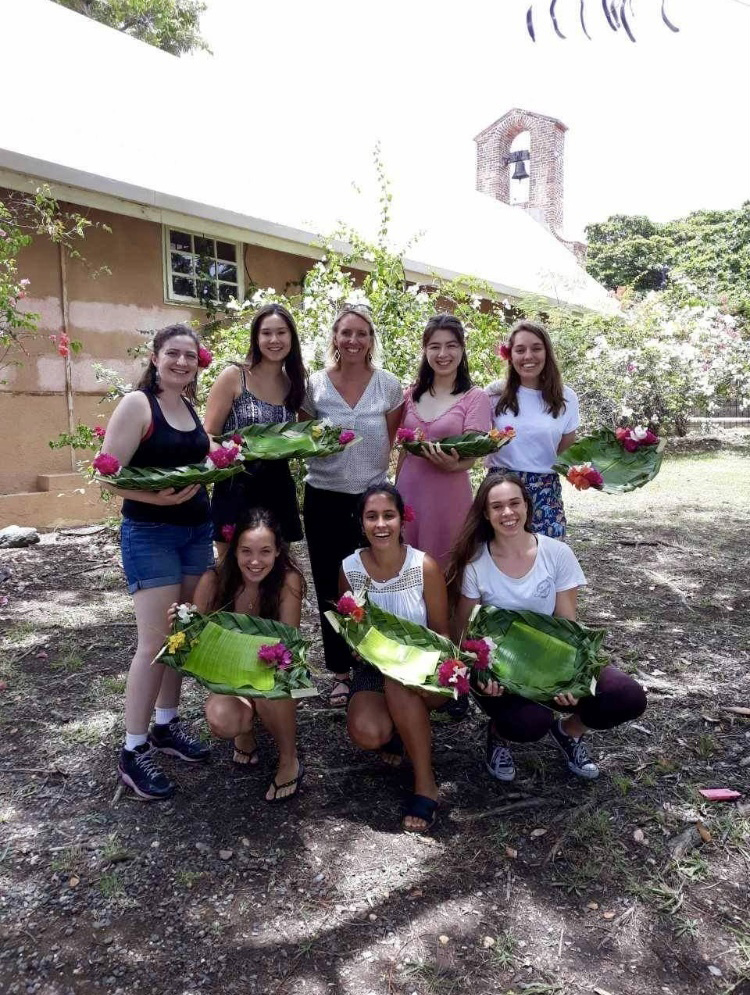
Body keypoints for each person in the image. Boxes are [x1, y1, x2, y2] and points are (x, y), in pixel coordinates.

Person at [449, 473, 647, 783]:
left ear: (527, 506)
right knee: (529, 723)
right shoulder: (476, 563)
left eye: (515, 503)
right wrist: (483, 674)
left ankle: (569, 731)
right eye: (497, 506)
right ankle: (498, 734)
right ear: (486, 514)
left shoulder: (556, 553)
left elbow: (568, 626)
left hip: (551, 659)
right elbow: (463, 634)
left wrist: (570, 677)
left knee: (627, 696)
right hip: (499, 669)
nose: (507, 513)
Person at [101, 324, 215, 801]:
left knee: (181, 634)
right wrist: (159, 501)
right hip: (151, 534)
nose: (182, 363)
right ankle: (133, 749)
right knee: (153, 642)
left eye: (190, 356)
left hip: (196, 533)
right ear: (155, 356)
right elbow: (106, 475)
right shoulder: (137, 404)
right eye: (173, 354)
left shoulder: (187, 406)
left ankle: (166, 727)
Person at [300, 305, 403, 708]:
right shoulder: (315, 386)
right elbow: (303, 435)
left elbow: (391, 440)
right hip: (323, 496)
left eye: (361, 333)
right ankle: (340, 670)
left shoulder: (388, 385)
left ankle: (374, 663)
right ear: (335, 338)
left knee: (376, 581)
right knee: (331, 583)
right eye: (346, 333)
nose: (353, 341)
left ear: (371, 339)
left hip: (372, 501)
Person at [341, 483, 451, 832]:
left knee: (400, 683)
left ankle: (425, 782)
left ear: (403, 520)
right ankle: (395, 733)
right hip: (374, 669)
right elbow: (349, 630)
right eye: (371, 517)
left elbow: (441, 633)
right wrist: (358, 647)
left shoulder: (424, 566)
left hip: (423, 670)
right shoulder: (349, 569)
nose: (381, 524)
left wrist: (415, 665)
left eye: (389, 515)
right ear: (361, 524)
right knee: (367, 732)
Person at [179, 507, 307, 802]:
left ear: (277, 552)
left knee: (266, 690)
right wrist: (182, 623)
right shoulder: (213, 581)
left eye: (265, 551)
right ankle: (245, 729)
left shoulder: (288, 581)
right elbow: (198, 642)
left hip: (273, 673)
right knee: (223, 719)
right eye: (246, 550)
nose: (254, 561)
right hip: (228, 675)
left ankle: (289, 759)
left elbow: (289, 645)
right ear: (234, 550)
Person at [203, 303, 306, 557]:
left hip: (278, 487)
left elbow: (302, 434)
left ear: (291, 337)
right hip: (235, 487)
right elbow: (207, 434)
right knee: (231, 571)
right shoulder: (234, 376)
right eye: (266, 333)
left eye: (281, 333)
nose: (274, 340)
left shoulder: (293, 383)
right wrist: (221, 458)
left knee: (278, 571)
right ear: (256, 337)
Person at [396, 314, 491, 569]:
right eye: (434, 346)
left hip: (449, 497)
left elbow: (473, 456)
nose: (443, 353)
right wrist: (395, 494)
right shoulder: (409, 396)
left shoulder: (475, 398)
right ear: (425, 350)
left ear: (462, 349)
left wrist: (453, 466)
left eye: (451, 345)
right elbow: (404, 452)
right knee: (405, 569)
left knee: (447, 570)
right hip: (409, 494)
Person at [485, 320, 578, 538]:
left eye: (536, 348)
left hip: (545, 490)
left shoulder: (567, 398)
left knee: (547, 557)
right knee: (498, 556)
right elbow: (479, 440)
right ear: (510, 355)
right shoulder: (493, 395)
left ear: (547, 352)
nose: (528, 356)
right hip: (500, 489)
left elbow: (565, 449)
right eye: (520, 350)